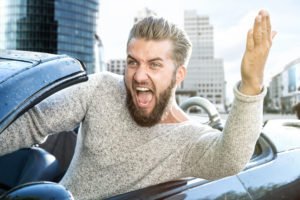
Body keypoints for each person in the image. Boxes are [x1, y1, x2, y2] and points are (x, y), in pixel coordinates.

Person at [0, 10, 275, 200]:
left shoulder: (188, 139)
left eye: (155, 64)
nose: (139, 75)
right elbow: (33, 122)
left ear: (178, 75)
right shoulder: (101, 87)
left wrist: (251, 84)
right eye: (133, 62)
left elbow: (230, 159)